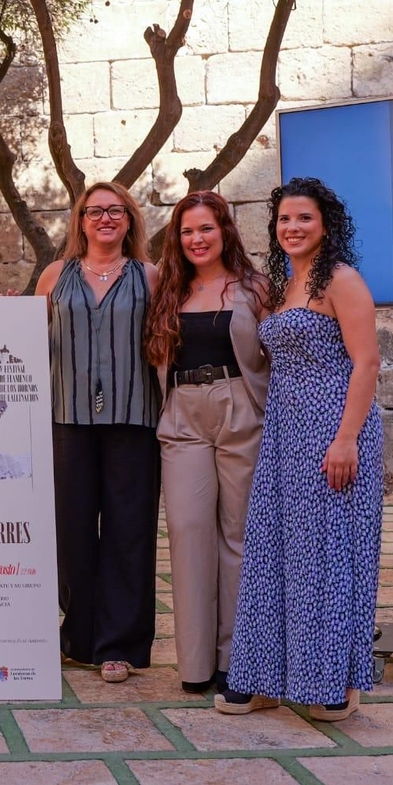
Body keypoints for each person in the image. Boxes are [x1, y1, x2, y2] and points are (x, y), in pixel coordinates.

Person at [218, 177, 383, 722]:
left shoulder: (341, 279)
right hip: (285, 431)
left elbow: (367, 362)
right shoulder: (285, 285)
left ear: (326, 224)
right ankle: (265, 677)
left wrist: (345, 438)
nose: (293, 228)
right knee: (272, 553)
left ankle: (331, 682)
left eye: (304, 219)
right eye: (284, 220)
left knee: (325, 557)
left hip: (332, 431)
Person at [145, 192, 271, 695]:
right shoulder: (167, 289)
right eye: (187, 231)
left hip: (239, 403)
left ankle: (235, 662)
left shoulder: (255, 288)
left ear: (225, 232)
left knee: (237, 536)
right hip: (181, 411)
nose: (196, 239)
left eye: (206, 229)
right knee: (187, 529)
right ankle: (195, 665)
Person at [35, 181, 160, 684]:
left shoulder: (151, 277)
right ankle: (78, 637)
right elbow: (27, 340)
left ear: (130, 220)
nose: (105, 219)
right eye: (95, 212)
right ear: (80, 221)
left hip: (134, 420)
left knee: (129, 534)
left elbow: (167, 341)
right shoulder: (54, 276)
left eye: (116, 211)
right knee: (72, 532)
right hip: (68, 420)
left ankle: (119, 645)